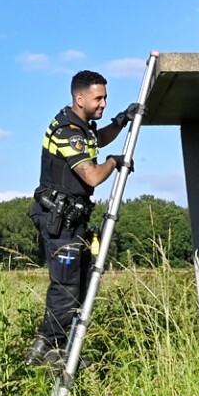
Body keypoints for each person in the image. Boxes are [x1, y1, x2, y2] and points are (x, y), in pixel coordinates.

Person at [26, 70, 139, 368]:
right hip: (58, 219)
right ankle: (46, 349)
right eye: (98, 98)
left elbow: (97, 140)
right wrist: (114, 162)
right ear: (80, 98)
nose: (103, 104)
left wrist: (120, 121)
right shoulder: (67, 132)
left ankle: (60, 348)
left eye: (105, 98)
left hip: (73, 219)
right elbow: (91, 175)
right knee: (65, 286)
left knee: (81, 283)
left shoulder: (82, 128)